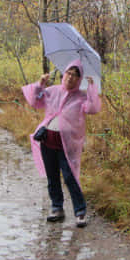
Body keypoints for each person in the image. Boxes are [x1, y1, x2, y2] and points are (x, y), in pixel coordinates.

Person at [22, 60, 101, 227]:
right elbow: (34, 102)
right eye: (68, 73)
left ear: (79, 80)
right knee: (52, 178)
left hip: (68, 145)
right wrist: (40, 84)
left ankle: (80, 212)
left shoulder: (81, 97)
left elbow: (92, 108)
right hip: (47, 142)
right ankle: (57, 208)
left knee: (70, 176)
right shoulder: (52, 91)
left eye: (75, 75)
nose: (70, 78)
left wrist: (93, 88)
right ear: (63, 74)